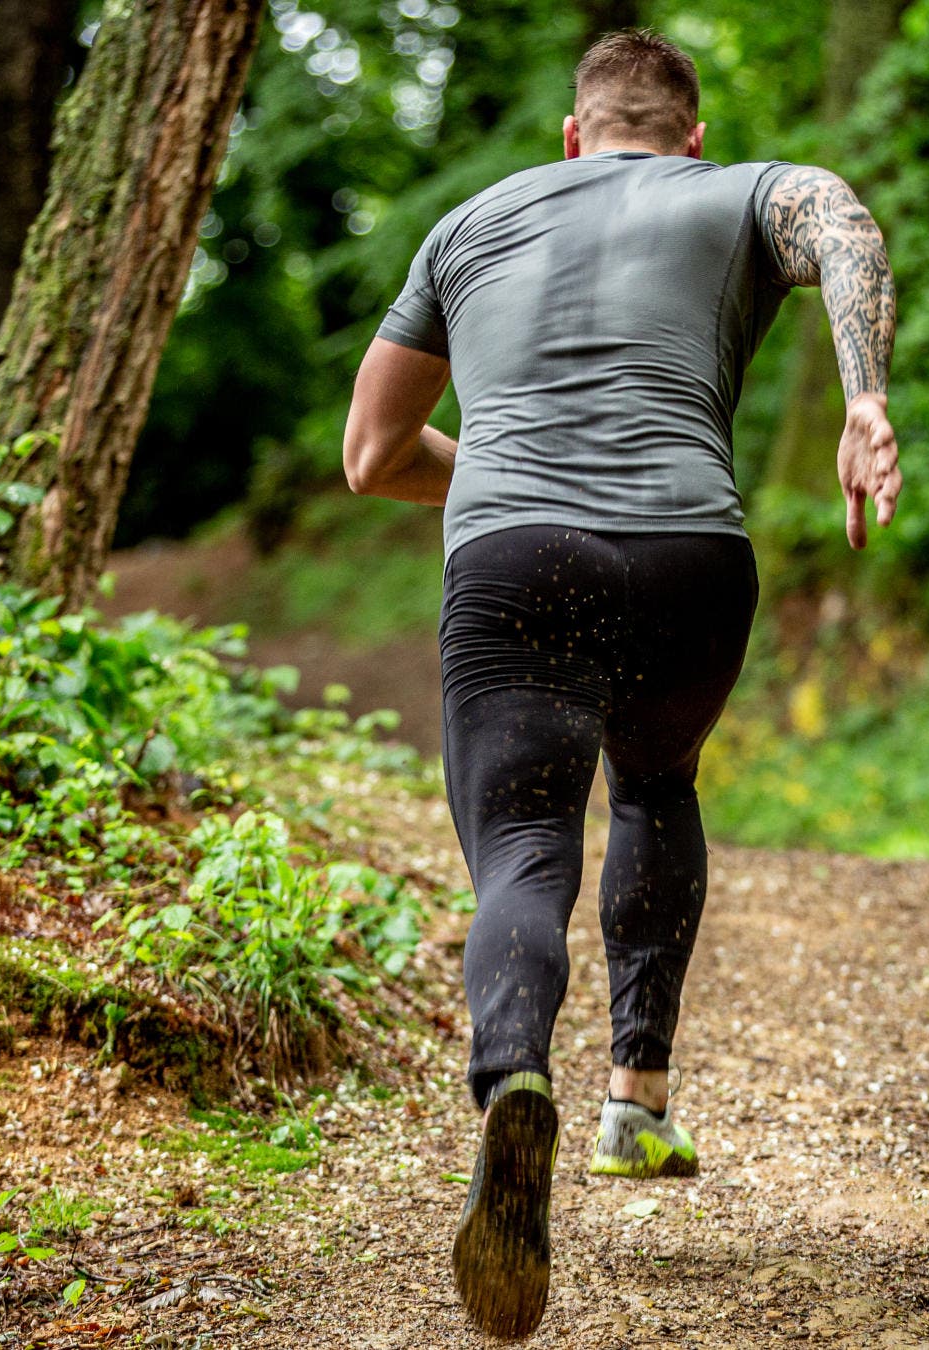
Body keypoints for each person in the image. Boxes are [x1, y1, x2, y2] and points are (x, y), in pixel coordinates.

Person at [342, 27, 899, 1338]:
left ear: (573, 136)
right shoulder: (740, 192)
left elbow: (370, 452)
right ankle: (635, 1106)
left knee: (524, 845)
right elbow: (841, 219)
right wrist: (865, 398)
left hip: (515, 557)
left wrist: (496, 467)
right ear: (692, 138)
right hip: (692, 555)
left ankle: (513, 1083)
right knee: (656, 781)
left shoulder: (470, 223)